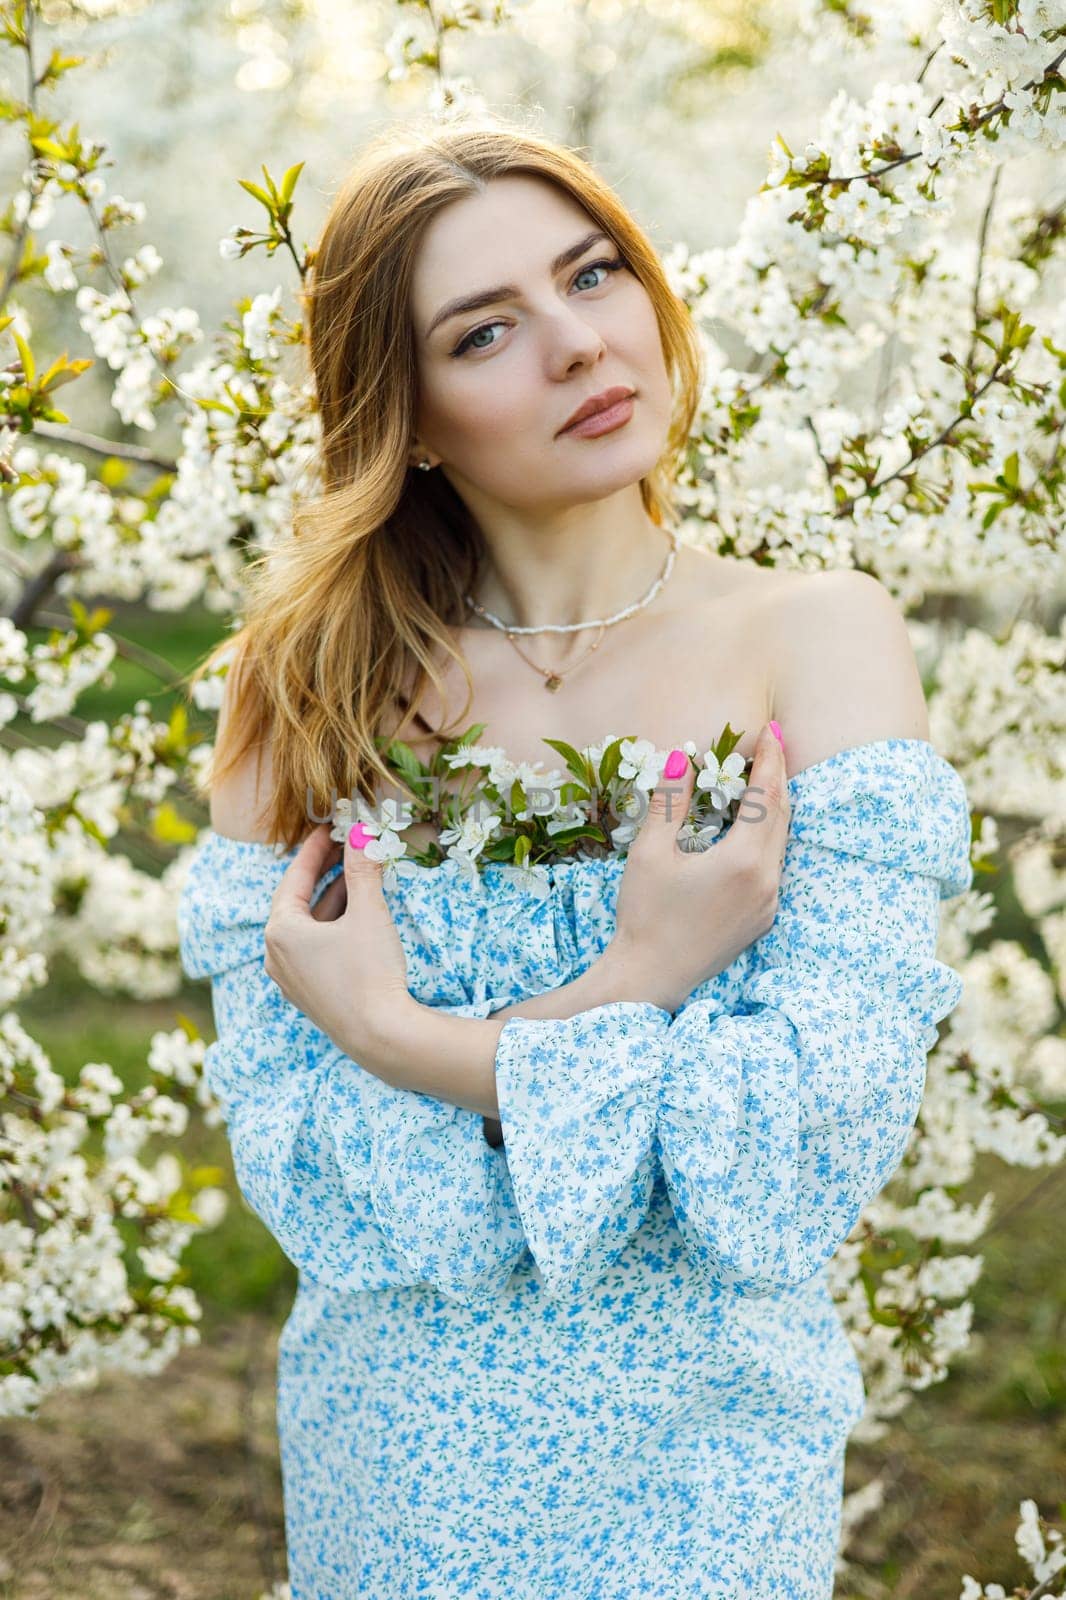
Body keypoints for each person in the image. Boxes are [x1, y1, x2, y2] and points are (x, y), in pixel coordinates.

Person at [177, 111, 974, 1600]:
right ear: (402, 410)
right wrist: (643, 979)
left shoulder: (812, 636)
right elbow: (315, 1179)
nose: (578, 346)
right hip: (400, 1457)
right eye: (484, 333)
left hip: (711, 1461)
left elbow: (806, 1138)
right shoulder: (302, 695)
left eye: (593, 275)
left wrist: (394, 1036)